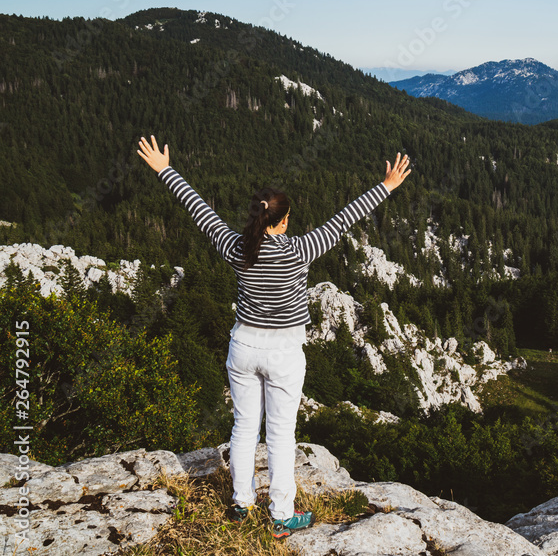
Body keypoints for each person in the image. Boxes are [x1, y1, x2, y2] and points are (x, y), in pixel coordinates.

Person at [137, 135, 410, 538]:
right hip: (283, 351)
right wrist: (386, 186)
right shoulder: (299, 249)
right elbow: (345, 217)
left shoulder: (236, 247)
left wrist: (165, 169)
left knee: (244, 429)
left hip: (243, 347)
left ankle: (242, 505)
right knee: (281, 435)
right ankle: (281, 514)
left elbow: (198, 209)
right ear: (281, 222)